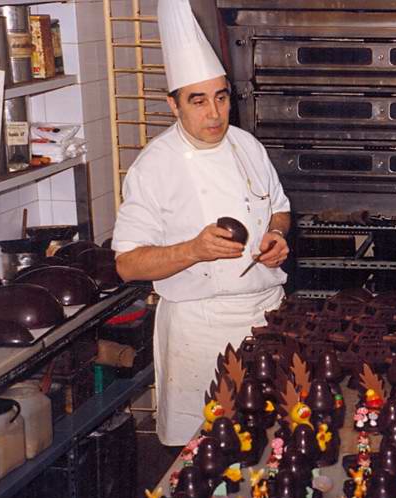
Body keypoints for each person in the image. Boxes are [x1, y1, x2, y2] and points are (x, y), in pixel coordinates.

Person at [112, 0, 291, 446]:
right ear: (173, 105)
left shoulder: (247, 145)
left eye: (221, 96)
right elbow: (128, 265)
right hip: (201, 331)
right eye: (198, 100)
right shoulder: (154, 167)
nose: (214, 114)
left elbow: (280, 209)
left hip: (268, 316)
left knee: (277, 448)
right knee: (204, 457)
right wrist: (193, 250)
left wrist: (277, 235)